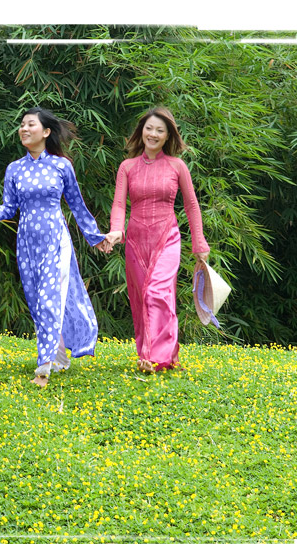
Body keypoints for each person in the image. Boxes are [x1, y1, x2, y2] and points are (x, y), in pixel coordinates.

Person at [0, 107, 114, 387]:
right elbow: (8, 209)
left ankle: (43, 369)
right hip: (27, 244)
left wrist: (95, 236)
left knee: (48, 300)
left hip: (55, 241)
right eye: (22, 125)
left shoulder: (61, 166)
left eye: (30, 124)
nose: (23, 129)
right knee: (37, 303)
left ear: (45, 132)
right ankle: (58, 356)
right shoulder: (14, 169)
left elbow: (77, 205)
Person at [104, 107, 210, 373]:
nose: (153, 134)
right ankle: (160, 354)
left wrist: (199, 244)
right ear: (141, 131)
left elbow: (192, 206)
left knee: (157, 293)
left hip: (167, 238)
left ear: (168, 136)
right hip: (135, 241)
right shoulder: (127, 166)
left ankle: (154, 358)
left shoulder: (177, 166)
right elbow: (119, 204)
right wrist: (116, 230)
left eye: (159, 130)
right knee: (141, 298)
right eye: (149, 128)